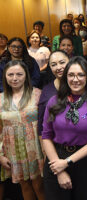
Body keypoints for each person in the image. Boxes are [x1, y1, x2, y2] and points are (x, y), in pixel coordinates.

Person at [42, 56, 87, 200]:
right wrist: (59, 169)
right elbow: (46, 135)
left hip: (86, 161)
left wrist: (67, 162)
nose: (75, 79)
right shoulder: (54, 101)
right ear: (65, 77)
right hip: (56, 159)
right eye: (71, 75)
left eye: (81, 75)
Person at [0, 60, 44, 200]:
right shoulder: (1, 99)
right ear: (5, 77)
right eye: (10, 74)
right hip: (13, 150)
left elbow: (46, 126)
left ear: (26, 75)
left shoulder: (37, 94)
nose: (14, 78)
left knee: (39, 186)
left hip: (36, 149)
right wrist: (0, 154)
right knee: (24, 186)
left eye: (19, 74)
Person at [38, 50, 69, 137]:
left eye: (62, 62)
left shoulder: (80, 85)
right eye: (53, 65)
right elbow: (41, 120)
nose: (58, 67)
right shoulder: (47, 90)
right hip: (55, 140)